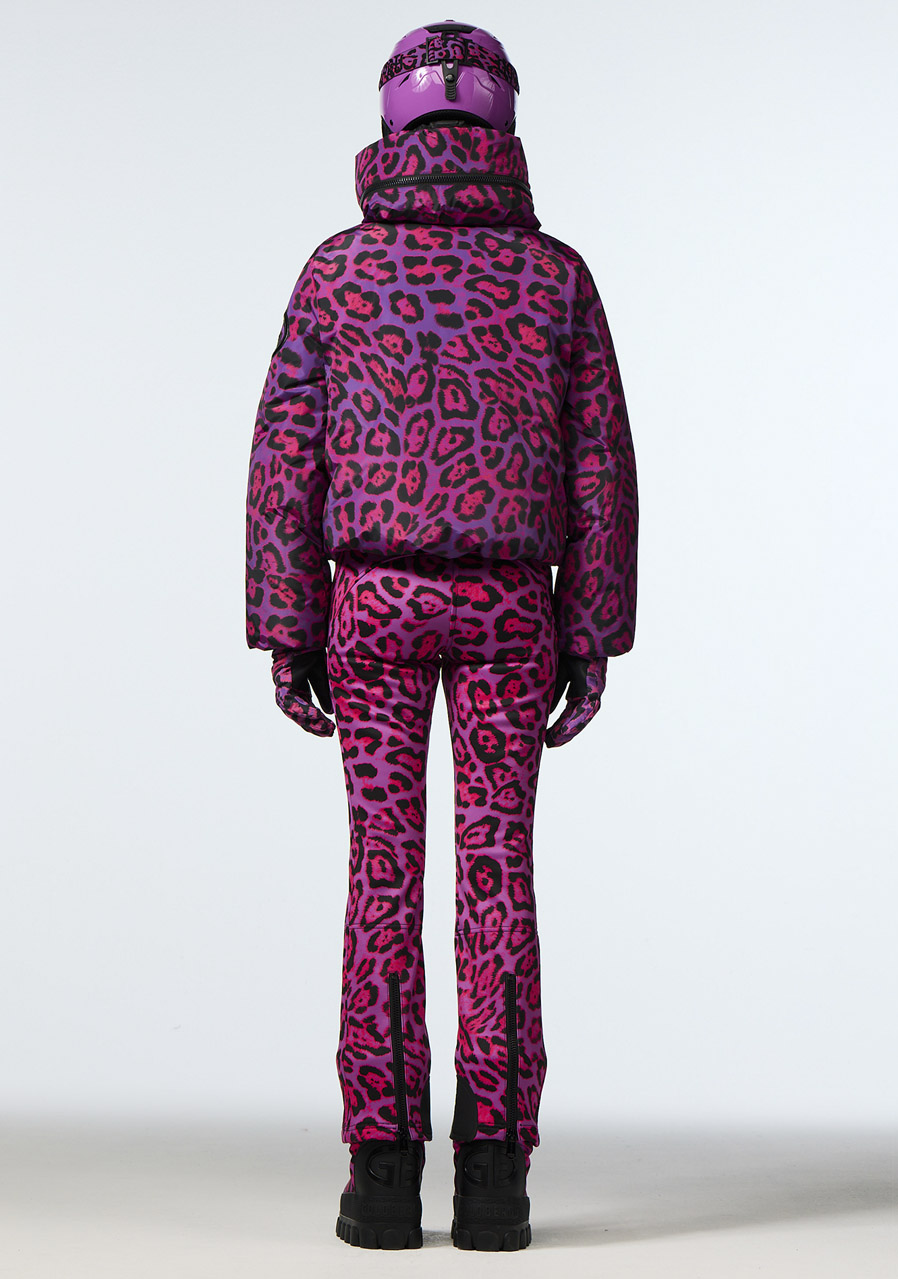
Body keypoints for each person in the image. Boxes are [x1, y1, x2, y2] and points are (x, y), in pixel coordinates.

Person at [244, 19, 638, 1252]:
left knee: (381, 870)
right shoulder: (555, 277)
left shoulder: (337, 272)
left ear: (391, 125)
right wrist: (592, 631)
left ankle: (379, 1172)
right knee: (495, 870)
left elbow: (285, 455)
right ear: (504, 130)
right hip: (512, 612)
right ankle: (494, 1175)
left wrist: (287, 623)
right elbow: (599, 468)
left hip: (370, 605)